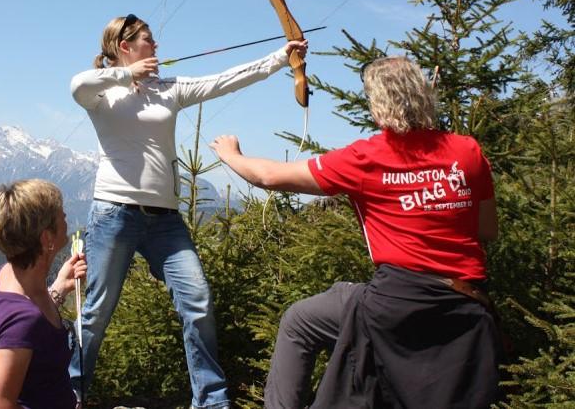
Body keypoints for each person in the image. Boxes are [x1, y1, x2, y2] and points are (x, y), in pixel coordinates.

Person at [210, 56, 502, 409]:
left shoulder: (366, 157)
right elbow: (487, 230)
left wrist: (231, 155)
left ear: (377, 104)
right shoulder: (467, 150)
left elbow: (269, 176)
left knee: (300, 320)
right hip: (464, 306)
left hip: (394, 304)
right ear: (424, 94)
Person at [69, 13, 308, 409]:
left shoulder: (168, 89)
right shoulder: (102, 94)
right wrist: (124, 74)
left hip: (165, 219)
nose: (156, 46)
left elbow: (224, 80)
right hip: (114, 213)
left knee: (197, 301)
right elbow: (78, 85)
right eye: (148, 40)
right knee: (96, 312)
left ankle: (211, 401)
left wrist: (281, 59)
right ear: (124, 46)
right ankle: (69, 393)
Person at [0, 179, 87, 409]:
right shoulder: (23, 322)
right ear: (47, 238)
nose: (66, 215)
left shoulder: (6, 276)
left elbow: (34, 324)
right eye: (60, 214)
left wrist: (59, 287)